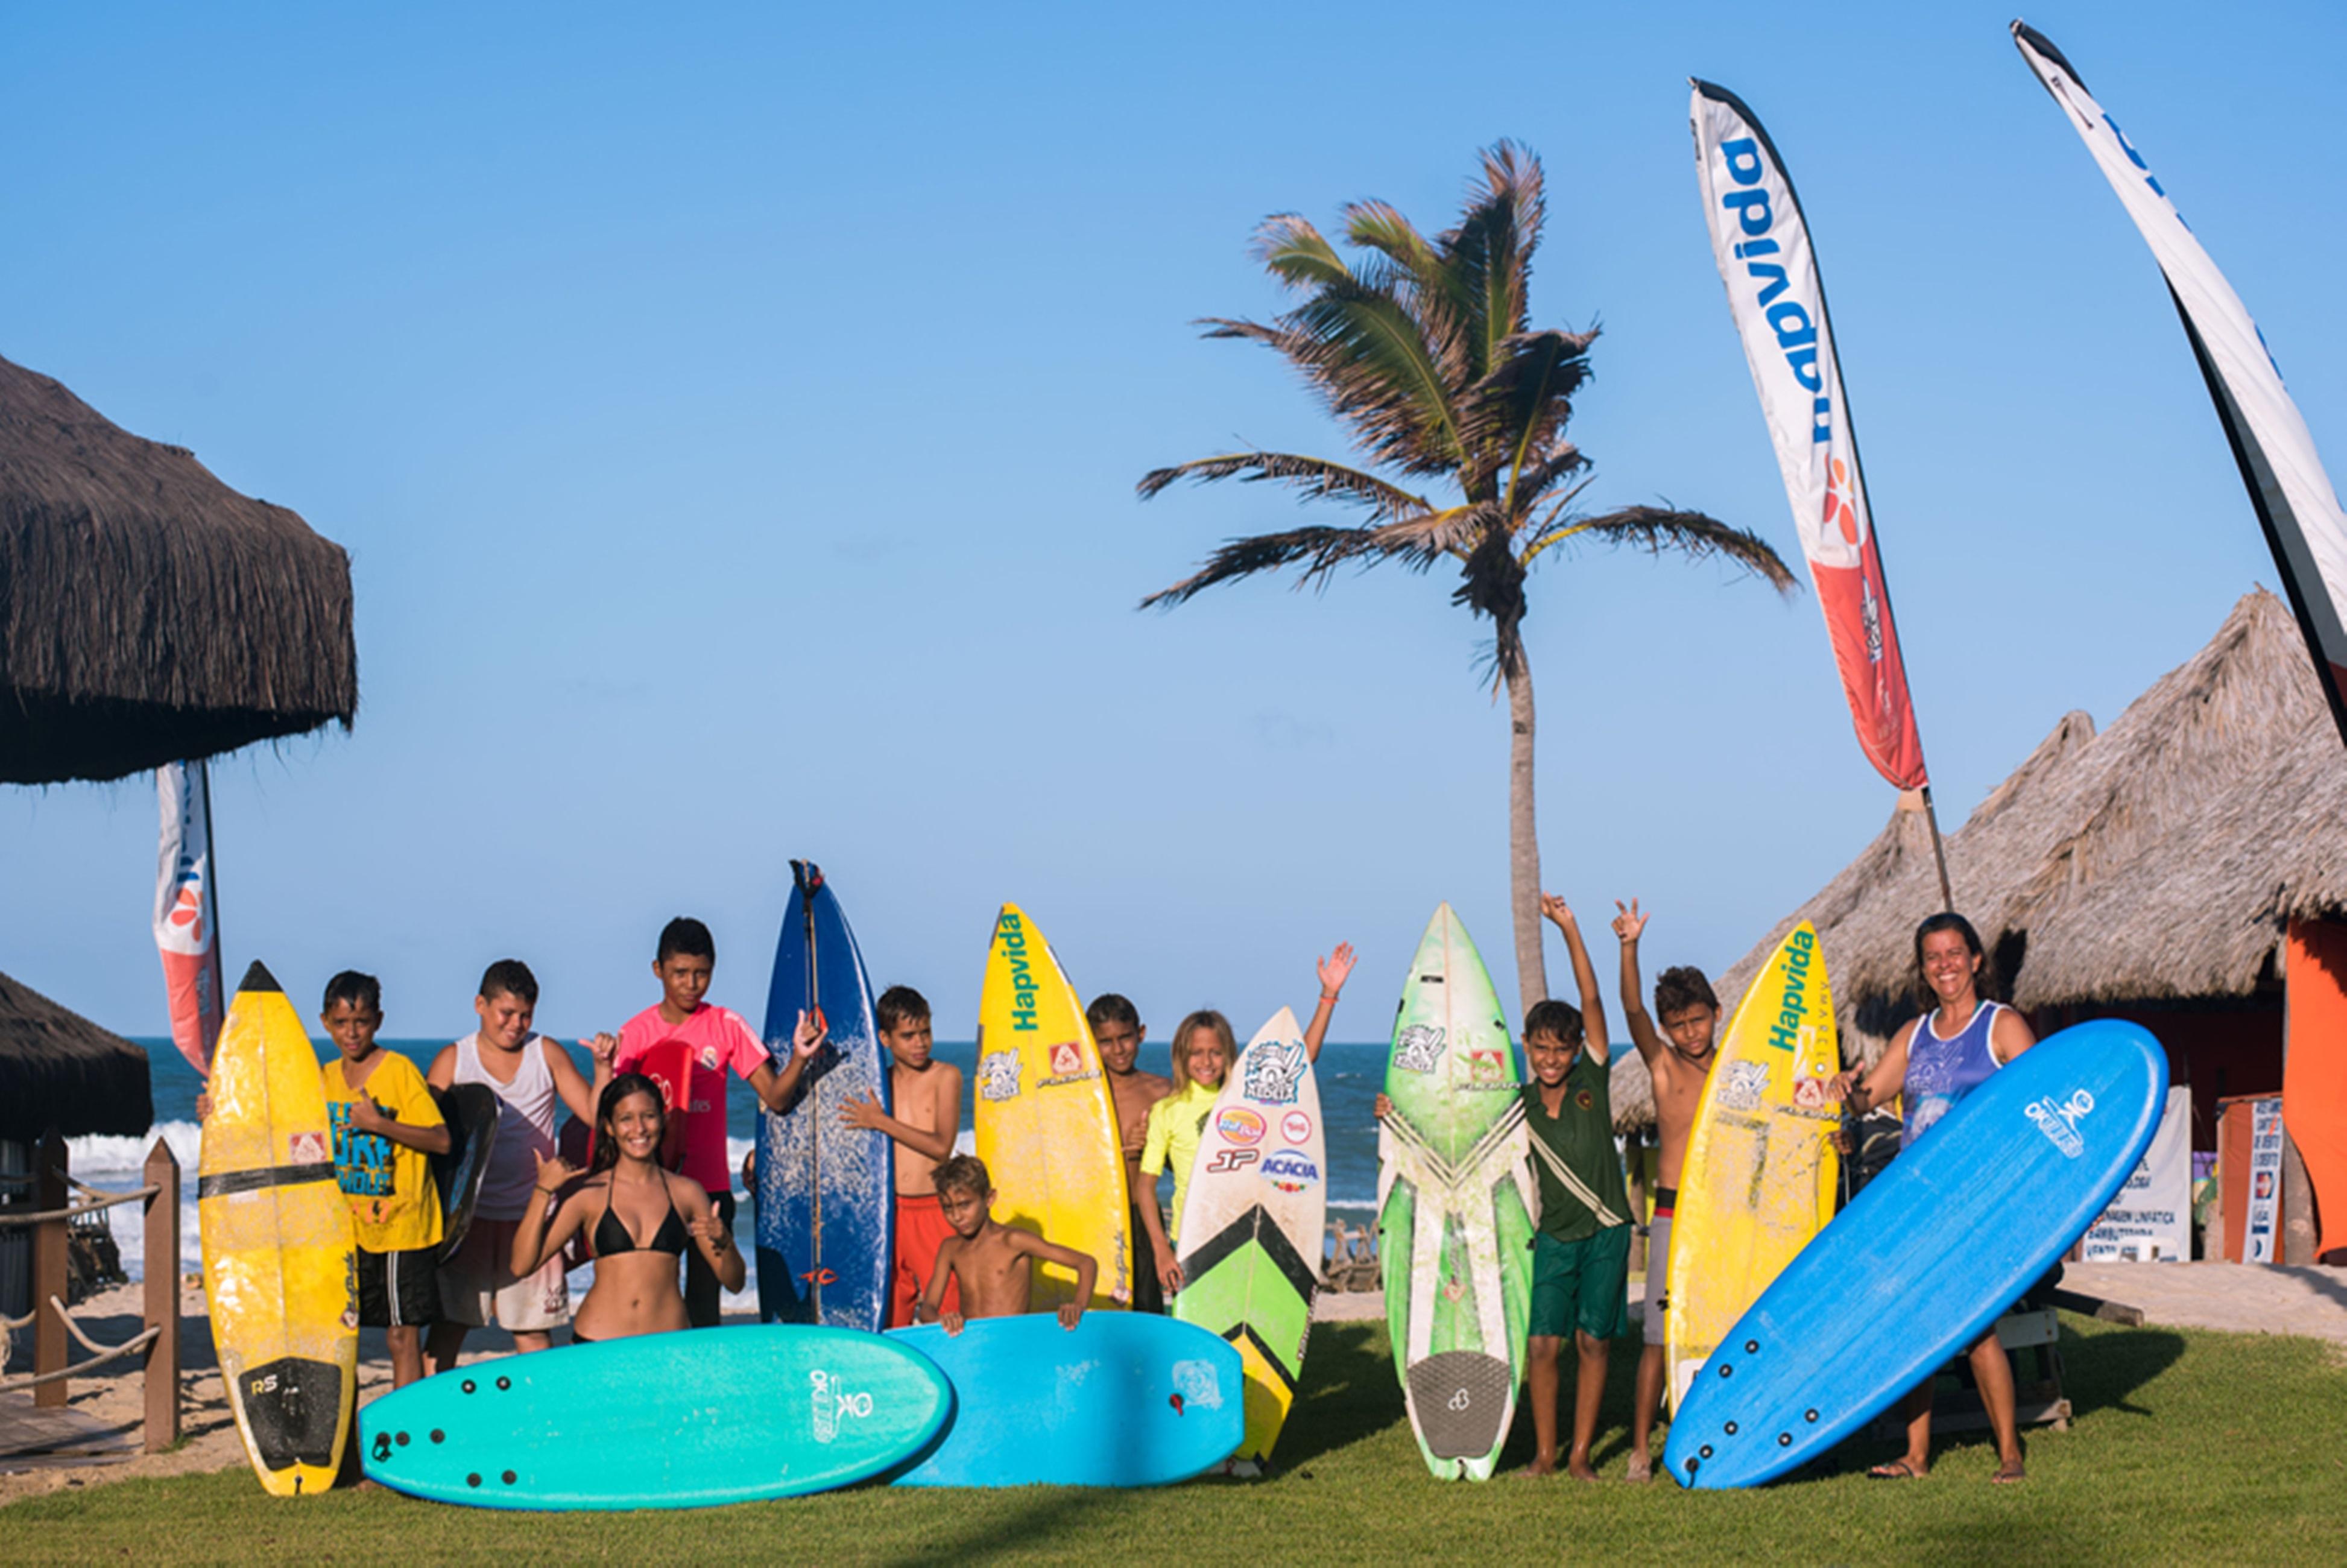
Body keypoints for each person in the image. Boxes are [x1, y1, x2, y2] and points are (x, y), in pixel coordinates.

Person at [1835, 911, 2037, 1484]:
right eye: (1933, 957)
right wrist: (1851, 1092)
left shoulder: (2002, 1026)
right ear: (1923, 969)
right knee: (1916, 1328)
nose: (1944, 965)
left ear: (1975, 960)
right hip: (1916, 1203)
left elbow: (2041, 1102)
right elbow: (1871, 1094)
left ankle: (2010, 1454)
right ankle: (1916, 1456)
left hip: (1979, 1203)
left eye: (1955, 954)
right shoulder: (1914, 1035)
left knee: (1976, 1330)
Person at [613, 917, 823, 1327]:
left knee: (705, 1299)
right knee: (652, 1293)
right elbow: (616, 1117)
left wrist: (799, 1057)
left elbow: (777, 1098)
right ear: (659, 970)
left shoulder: (725, 1026)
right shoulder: (637, 1034)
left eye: (702, 974)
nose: (691, 984)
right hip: (654, 1186)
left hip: (710, 1187)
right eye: (680, 974)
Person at [424, 959, 614, 1374]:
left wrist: (603, 1070)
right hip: (467, 1221)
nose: (516, 1024)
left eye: (526, 1015)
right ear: (480, 1004)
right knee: (449, 1326)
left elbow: (594, 1114)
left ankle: (542, 1424)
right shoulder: (454, 1060)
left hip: (532, 1218)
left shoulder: (544, 1053)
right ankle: (434, 1417)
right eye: (506, 1013)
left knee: (532, 1333)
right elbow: (427, 1139)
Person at [1139, 944, 1354, 1298]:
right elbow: (1146, 1186)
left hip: (1247, 1231)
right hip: (1191, 1235)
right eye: (1196, 1052)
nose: (1206, 1061)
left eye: (1215, 1052)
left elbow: (1301, 1060)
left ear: (1229, 1055)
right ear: (1182, 1054)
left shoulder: (1245, 1095)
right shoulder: (1168, 1110)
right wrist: (1162, 1248)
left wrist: (1328, 995)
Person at [1610, 900, 1721, 1482]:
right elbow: (1631, 1009)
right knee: (1656, 1337)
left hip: (1722, 1214)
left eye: (1697, 1020)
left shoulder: (1736, 1072)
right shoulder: (1663, 1067)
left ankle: (1719, 1428)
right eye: (1677, 1025)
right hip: (1674, 1213)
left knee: (1722, 1326)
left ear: (1716, 1013)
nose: (1689, 1033)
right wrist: (1629, 947)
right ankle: (1638, 1450)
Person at [508, 1073, 742, 1341]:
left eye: (649, 1116)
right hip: (599, 1344)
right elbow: (522, 1265)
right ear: (609, 1127)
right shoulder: (590, 1194)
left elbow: (734, 1283)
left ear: (663, 1119)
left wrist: (725, 1242)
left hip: (668, 1345)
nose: (639, 1128)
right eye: (626, 1119)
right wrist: (543, 1191)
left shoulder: (687, 1192)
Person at [318, 972, 449, 1391]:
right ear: (325, 1023)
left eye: (361, 1022)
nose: (352, 1033)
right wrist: (216, 1106)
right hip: (346, 1229)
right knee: (344, 1336)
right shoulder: (322, 1079)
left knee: (400, 1336)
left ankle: (404, 1436)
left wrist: (379, 1125)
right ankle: (348, 1443)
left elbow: (441, 1140)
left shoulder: (399, 1071)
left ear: (379, 1020)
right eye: (341, 1023)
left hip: (402, 1227)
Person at [841, 985, 965, 1327]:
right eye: (908, 1036)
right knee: (891, 1309)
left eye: (925, 1032)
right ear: (885, 1038)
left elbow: (941, 1146)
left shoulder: (946, 1077)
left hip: (934, 1209)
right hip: (888, 1211)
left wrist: (881, 1122)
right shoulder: (878, 1086)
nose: (920, 1043)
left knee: (948, 1308)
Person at [916, 1154, 1095, 1333]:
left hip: (1012, 1340)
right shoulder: (951, 1249)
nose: (957, 1217)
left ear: (989, 1199)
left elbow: (1086, 1263)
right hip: (973, 1342)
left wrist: (1078, 1306)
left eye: (965, 1205)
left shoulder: (1013, 1241)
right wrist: (943, 1320)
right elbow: (927, 1309)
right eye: (948, 1208)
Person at [1089, 993, 1171, 1312]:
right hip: (1092, 1215)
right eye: (1106, 1042)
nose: (1118, 1049)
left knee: (1146, 1307)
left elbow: (1186, 1165)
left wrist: (1155, 1147)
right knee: (1098, 1309)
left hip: (1141, 1216)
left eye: (1125, 1038)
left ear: (1141, 1034)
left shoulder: (1162, 1092)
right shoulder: (1078, 1093)